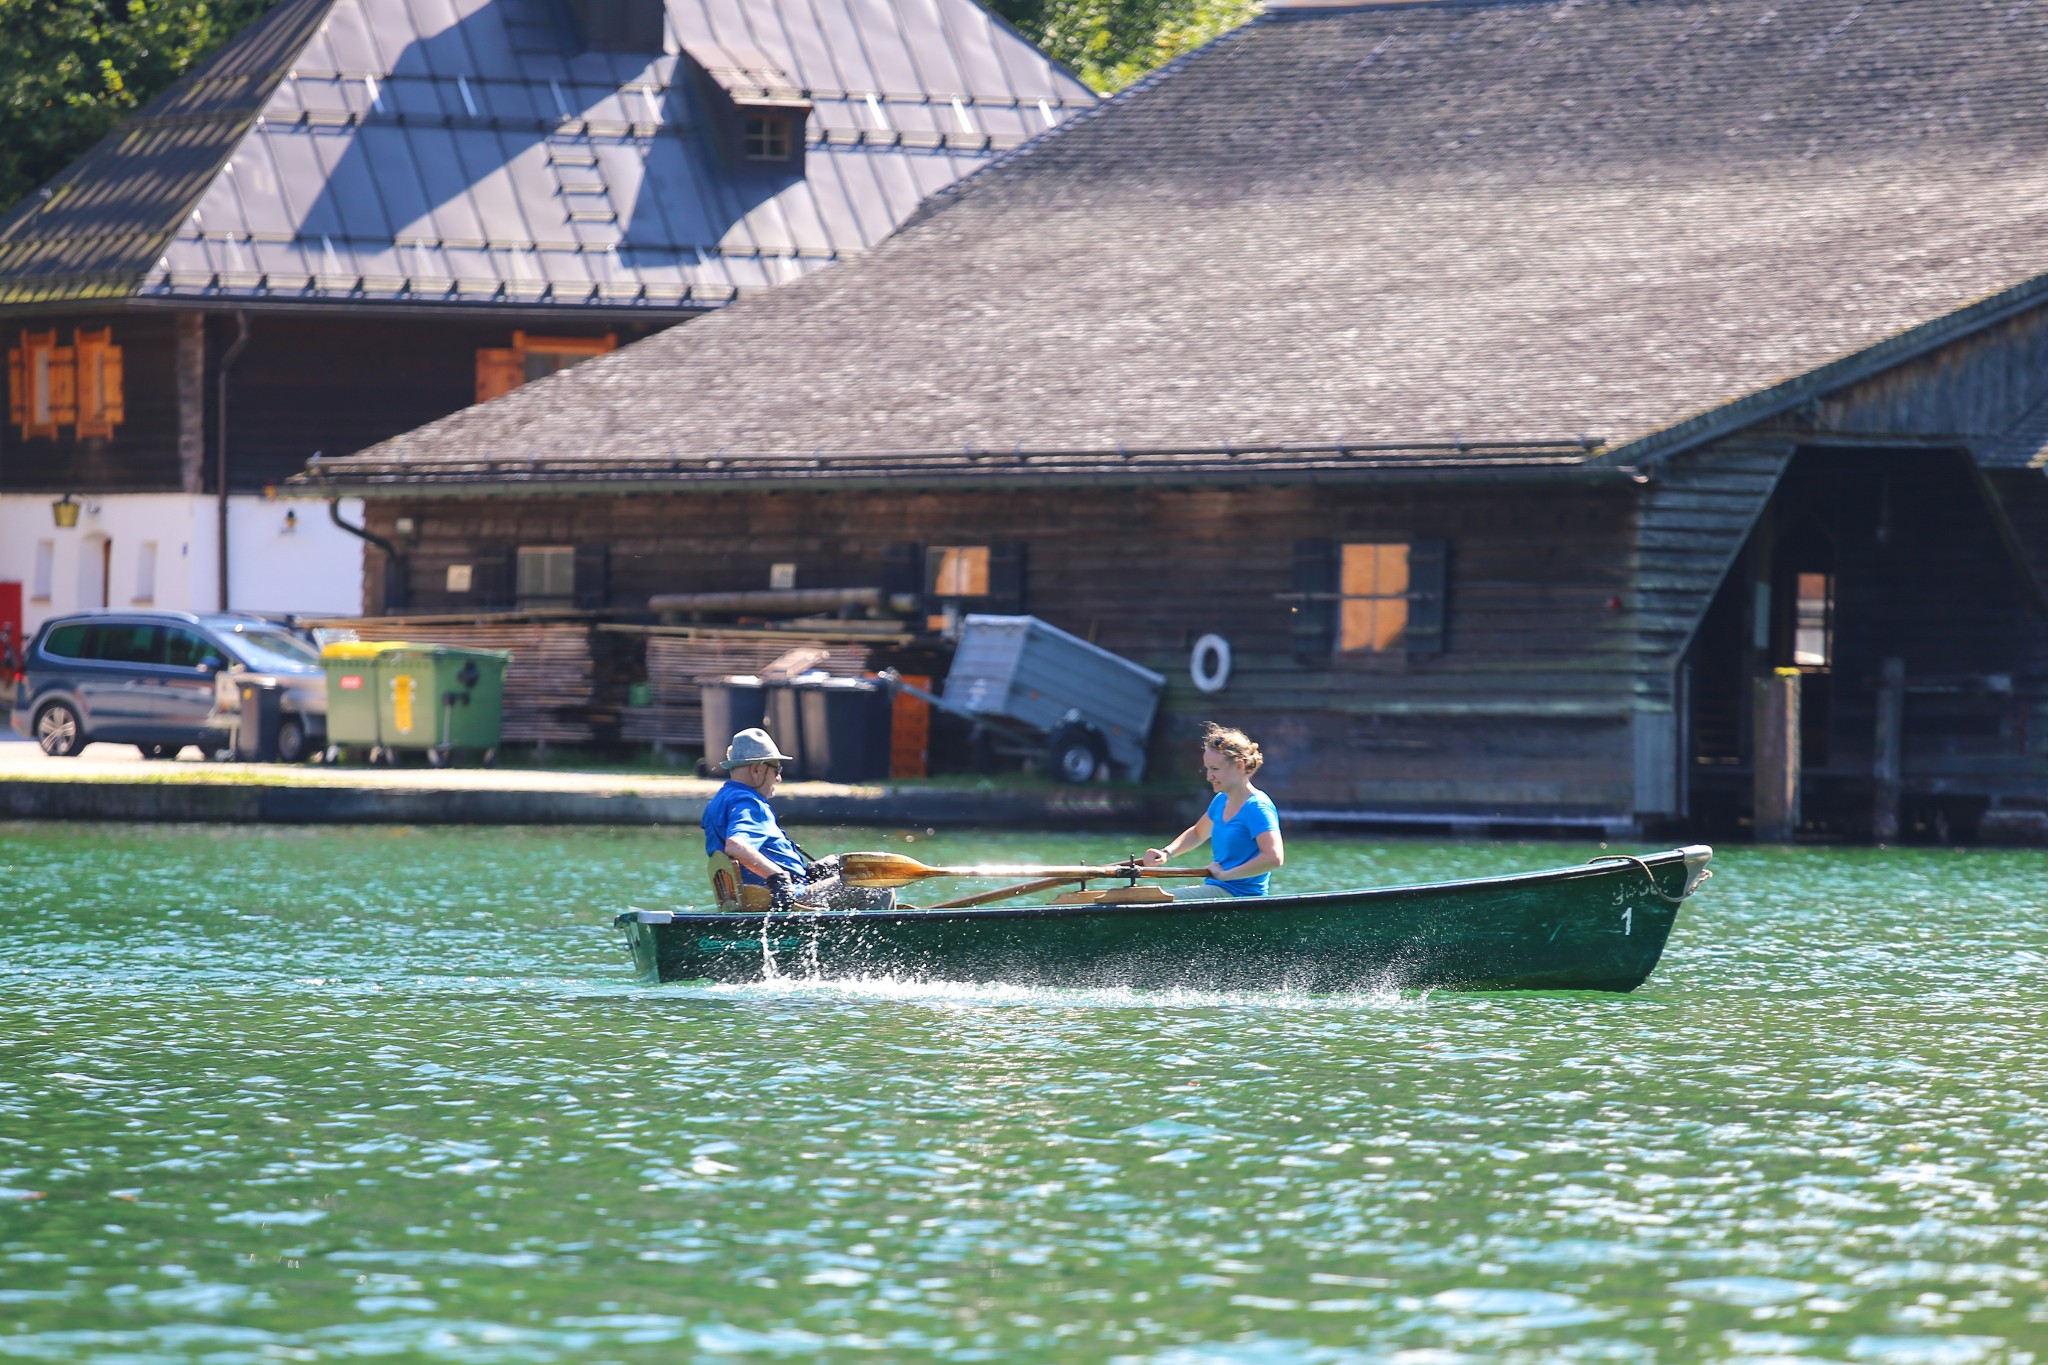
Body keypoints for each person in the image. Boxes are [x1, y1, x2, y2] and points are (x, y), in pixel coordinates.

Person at [700, 727, 839, 911]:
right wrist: (778, 877)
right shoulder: (749, 802)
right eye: (776, 769)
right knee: (874, 888)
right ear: (757, 769)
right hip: (787, 899)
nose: (779, 778)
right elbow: (735, 846)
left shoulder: (719, 801)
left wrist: (809, 873)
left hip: (756, 899)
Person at [1140, 724, 1283, 897]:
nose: (1209, 777)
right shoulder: (1221, 800)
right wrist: (1166, 853)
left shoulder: (1257, 807)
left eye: (1215, 769)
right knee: (1141, 897)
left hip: (1241, 897)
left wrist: (1226, 875)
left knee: (1151, 900)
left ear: (1239, 765)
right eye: (1207, 769)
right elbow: (1198, 833)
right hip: (1217, 889)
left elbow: (1274, 858)